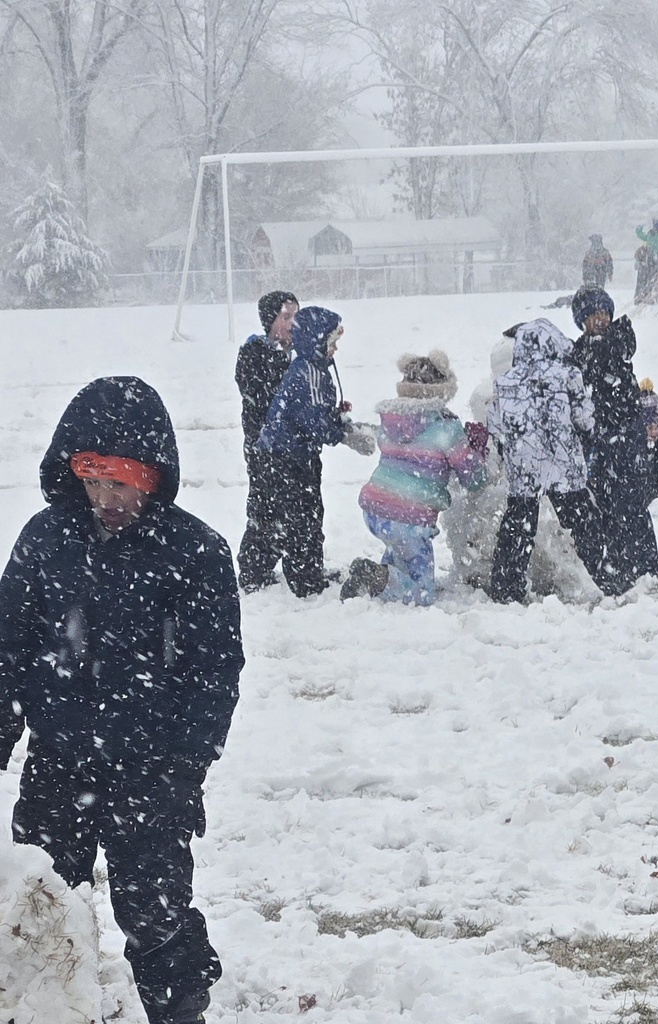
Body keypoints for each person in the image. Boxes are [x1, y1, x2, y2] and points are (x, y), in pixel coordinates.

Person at [0, 376, 244, 1024]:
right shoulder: (45, 542)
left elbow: (215, 672)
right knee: (42, 904)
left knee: (156, 915)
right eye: (93, 479)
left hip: (152, 771)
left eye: (122, 482)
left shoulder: (195, 554)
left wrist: (184, 766)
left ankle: (179, 1011)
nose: (106, 497)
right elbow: (8, 650)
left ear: (153, 478)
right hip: (59, 767)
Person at [342, 350, 488, 605]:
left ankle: (381, 574)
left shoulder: (390, 422)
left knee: (399, 550)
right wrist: (476, 450)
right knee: (421, 594)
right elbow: (474, 479)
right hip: (409, 518)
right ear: (442, 391)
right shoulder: (446, 429)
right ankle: (376, 577)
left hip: (375, 509)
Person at [487, 318, 613, 604]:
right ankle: (601, 573)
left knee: (518, 526)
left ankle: (507, 587)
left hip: (524, 466)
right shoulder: (568, 375)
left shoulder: (505, 381)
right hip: (562, 464)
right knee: (581, 522)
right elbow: (584, 419)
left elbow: (496, 425)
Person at [257, 305, 376, 598]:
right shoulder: (307, 372)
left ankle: (307, 569)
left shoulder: (316, 367)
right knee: (301, 519)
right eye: (331, 342)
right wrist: (345, 435)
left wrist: (339, 417)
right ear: (315, 340)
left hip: (297, 454)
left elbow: (318, 411)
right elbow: (315, 424)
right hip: (287, 457)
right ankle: (304, 580)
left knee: (308, 514)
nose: (335, 348)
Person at [570, 285, 658, 592]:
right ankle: (616, 563)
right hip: (599, 439)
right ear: (582, 319)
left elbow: (616, 352)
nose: (601, 319)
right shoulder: (579, 351)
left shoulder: (617, 340)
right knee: (604, 502)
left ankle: (644, 565)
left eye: (605, 313)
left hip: (625, 435)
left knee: (631, 501)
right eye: (593, 315)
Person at [234, 290, 298, 593]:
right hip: (263, 448)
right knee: (265, 507)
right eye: (286, 316)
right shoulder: (255, 352)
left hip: (288, 447)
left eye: (297, 315)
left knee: (291, 506)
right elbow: (260, 395)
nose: (293, 323)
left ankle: (287, 563)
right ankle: (253, 570)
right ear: (269, 320)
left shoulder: (294, 354)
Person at [634, 218, 658, 303]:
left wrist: (640, 228)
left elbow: (641, 235)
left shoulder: (651, 235)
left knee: (653, 279)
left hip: (652, 261)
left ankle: (653, 297)